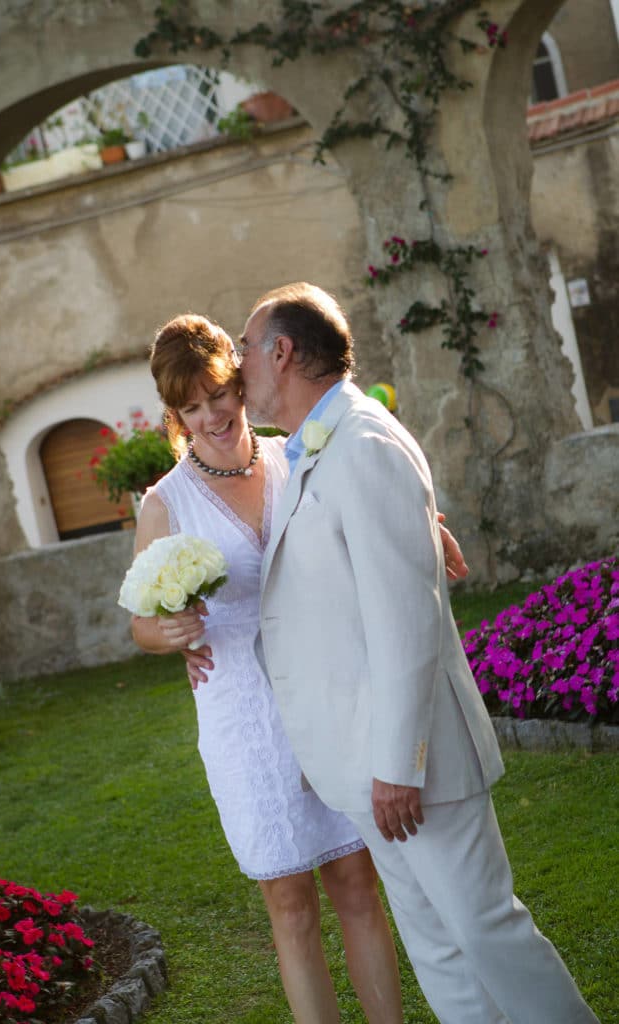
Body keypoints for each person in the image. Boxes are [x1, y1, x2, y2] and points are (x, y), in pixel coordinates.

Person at [235, 281, 601, 1024]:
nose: (239, 364)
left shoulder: (363, 444)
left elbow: (407, 620)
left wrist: (398, 765)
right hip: (364, 766)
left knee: (485, 931)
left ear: (281, 352)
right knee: (437, 947)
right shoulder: (313, 447)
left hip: (409, 765)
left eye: (246, 347)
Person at [130, 313, 466, 1024]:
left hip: (327, 691)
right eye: (191, 407)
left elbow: (365, 519)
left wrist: (425, 527)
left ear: (240, 382)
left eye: (219, 393)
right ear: (175, 416)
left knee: (356, 881)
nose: (213, 415)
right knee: (289, 903)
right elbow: (139, 619)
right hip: (243, 717)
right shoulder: (165, 504)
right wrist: (171, 631)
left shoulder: (297, 456)